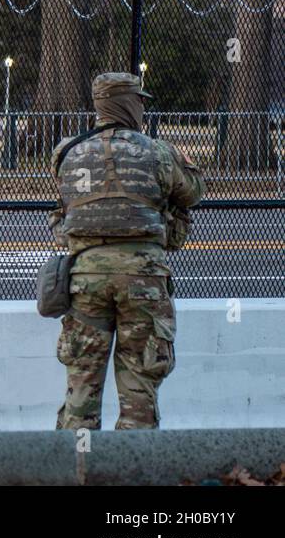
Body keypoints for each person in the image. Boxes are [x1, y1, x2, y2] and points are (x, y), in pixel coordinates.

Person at [49, 72, 205, 430]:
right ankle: (132, 470)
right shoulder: (157, 152)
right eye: (139, 101)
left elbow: (65, 204)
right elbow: (193, 192)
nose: (142, 108)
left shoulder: (67, 151)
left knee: (81, 389)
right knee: (140, 386)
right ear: (127, 103)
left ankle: (76, 467)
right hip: (143, 279)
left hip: (84, 277)